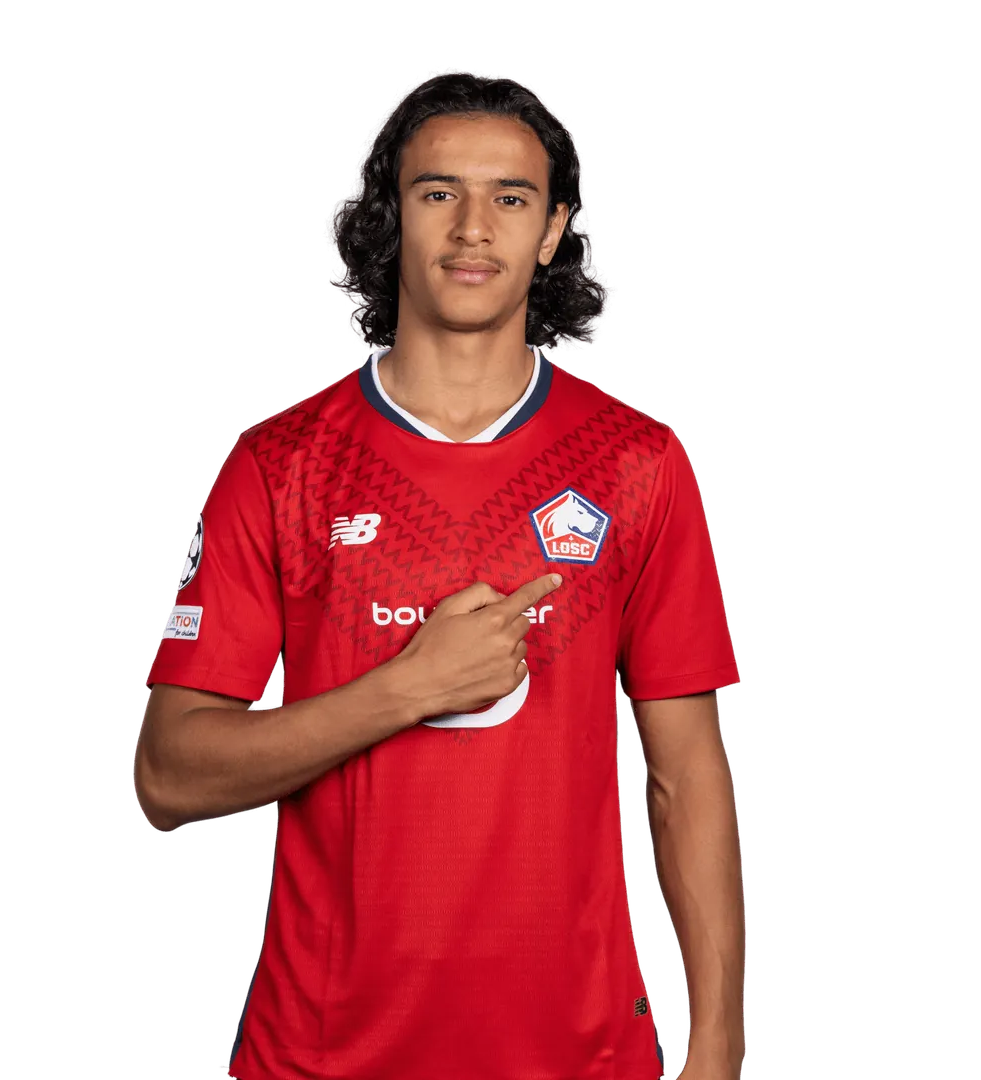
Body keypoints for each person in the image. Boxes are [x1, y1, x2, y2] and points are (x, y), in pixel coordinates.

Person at [133, 70, 746, 1080]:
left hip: (580, 1056)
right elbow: (168, 778)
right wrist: (409, 687)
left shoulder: (637, 464)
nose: (473, 228)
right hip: (322, 1059)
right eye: (438, 192)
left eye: (510, 197)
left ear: (551, 231)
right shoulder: (279, 466)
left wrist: (719, 1041)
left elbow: (685, 773)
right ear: (394, 216)